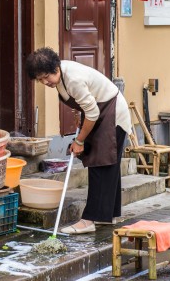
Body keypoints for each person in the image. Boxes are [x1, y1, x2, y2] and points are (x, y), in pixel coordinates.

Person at [25, 47, 132, 234]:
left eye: (46, 77)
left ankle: (89, 220)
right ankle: (108, 216)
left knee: (102, 163)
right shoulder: (60, 77)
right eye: (40, 79)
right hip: (101, 112)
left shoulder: (72, 78)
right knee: (107, 164)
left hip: (112, 113)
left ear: (55, 68)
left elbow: (92, 111)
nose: (45, 82)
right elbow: (86, 106)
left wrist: (80, 140)